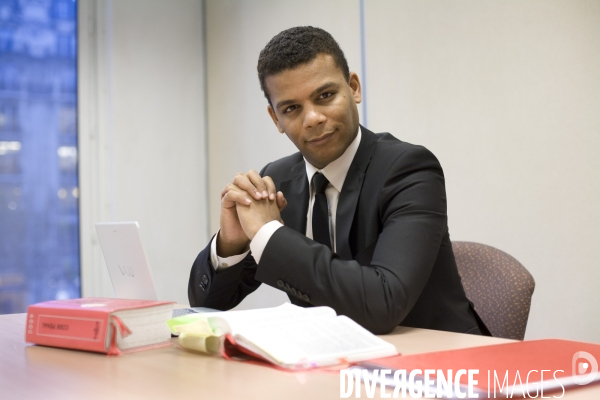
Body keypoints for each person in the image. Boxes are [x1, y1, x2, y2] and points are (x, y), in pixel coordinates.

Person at [188, 26, 484, 335]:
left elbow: (383, 304)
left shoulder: (409, 170)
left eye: (325, 96)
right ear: (276, 119)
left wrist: (268, 233)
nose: (313, 118)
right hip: (328, 365)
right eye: (291, 108)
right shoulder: (278, 181)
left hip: (438, 366)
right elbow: (207, 303)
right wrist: (230, 245)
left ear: (354, 88)